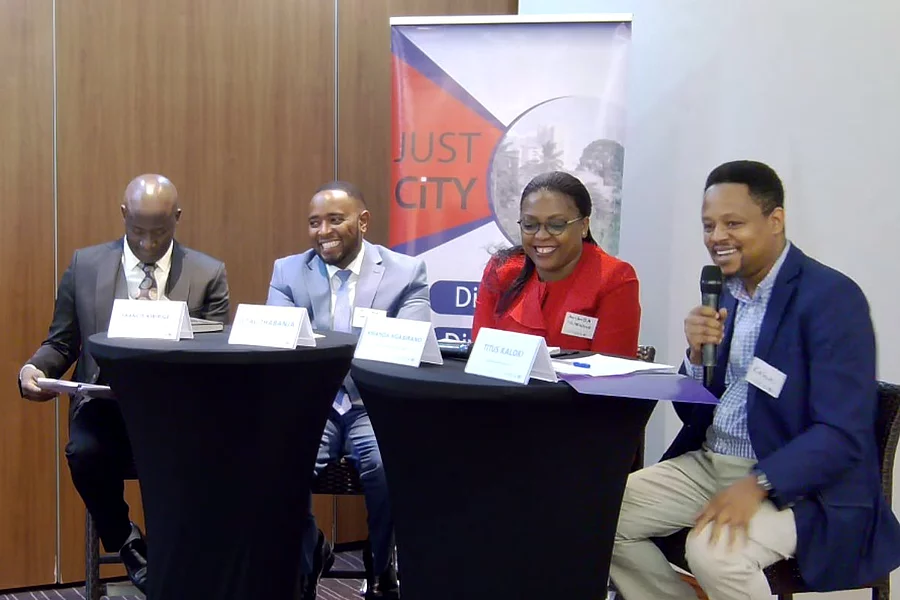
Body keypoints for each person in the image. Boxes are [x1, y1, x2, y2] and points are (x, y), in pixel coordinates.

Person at [609, 160, 900, 599]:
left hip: (803, 485)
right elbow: (697, 412)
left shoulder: (831, 299)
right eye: (708, 225)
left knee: (713, 551)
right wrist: (693, 357)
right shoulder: (725, 293)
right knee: (598, 511)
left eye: (733, 223)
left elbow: (842, 432)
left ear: (775, 220)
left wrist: (759, 482)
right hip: (712, 462)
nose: (717, 237)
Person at [18, 174, 230, 594]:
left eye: (160, 232)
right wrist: (33, 369)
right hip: (104, 404)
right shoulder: (86, 265)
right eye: (137, 231)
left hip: (174, 411)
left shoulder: (207, 274)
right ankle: (128, 546)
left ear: (178, 218)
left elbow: (217, 356)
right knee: (83, 452)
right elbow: (61, 342)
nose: (149, 243)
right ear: (123, 216)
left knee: (189, 464)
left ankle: (176, 562)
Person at [267, 180, 429, 600]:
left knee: (385, 467)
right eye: (314, 222)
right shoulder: (288, 271)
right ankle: (307, 559)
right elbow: (281, 345)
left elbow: (406, 345)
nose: (323, 231)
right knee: (280, 466)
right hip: (314, 403)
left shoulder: (406, 272)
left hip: (371, 403)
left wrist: (325, 347)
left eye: (335, 220)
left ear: (363, 221)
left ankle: (381, 570)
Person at [472, 170, 641, 356]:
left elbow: (610, 375)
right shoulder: (502, 269)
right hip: (500, 385)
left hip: (578, 386)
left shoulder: (614, 279)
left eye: (556, 225)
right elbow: (478, 357)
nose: (541, 235)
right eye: (530, 225)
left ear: (583, 226)